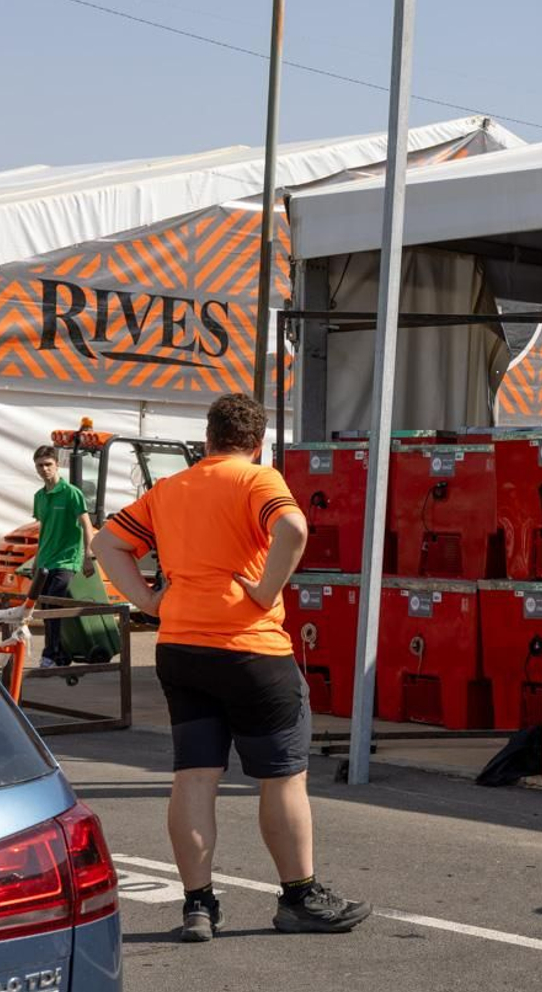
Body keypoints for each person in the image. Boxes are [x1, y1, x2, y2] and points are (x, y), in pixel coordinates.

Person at [92, 393, 370, 942]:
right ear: (258, 443)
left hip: (181, 649)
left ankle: (198, 905)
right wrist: (266, 590)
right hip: (251, 651)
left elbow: (106, 543)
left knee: (194, 775)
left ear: (207, 438)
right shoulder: (258, 480)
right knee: (283, 778)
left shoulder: (170, 489)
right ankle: (299, 897)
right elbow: (293, 529)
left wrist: (149, 602)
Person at [30, 444, 96, 669]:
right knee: (45, 607)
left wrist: (89, 555)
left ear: (57, 465)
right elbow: (44, 530)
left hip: (67, 559)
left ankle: (50, 654)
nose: (44, 469)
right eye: (40, 466)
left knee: (53, 605)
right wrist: (36, 560)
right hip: (46, 559)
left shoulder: (71, 493)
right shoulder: (39, 496)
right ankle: (59, 653)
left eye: (48, 465)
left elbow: (87, 525)